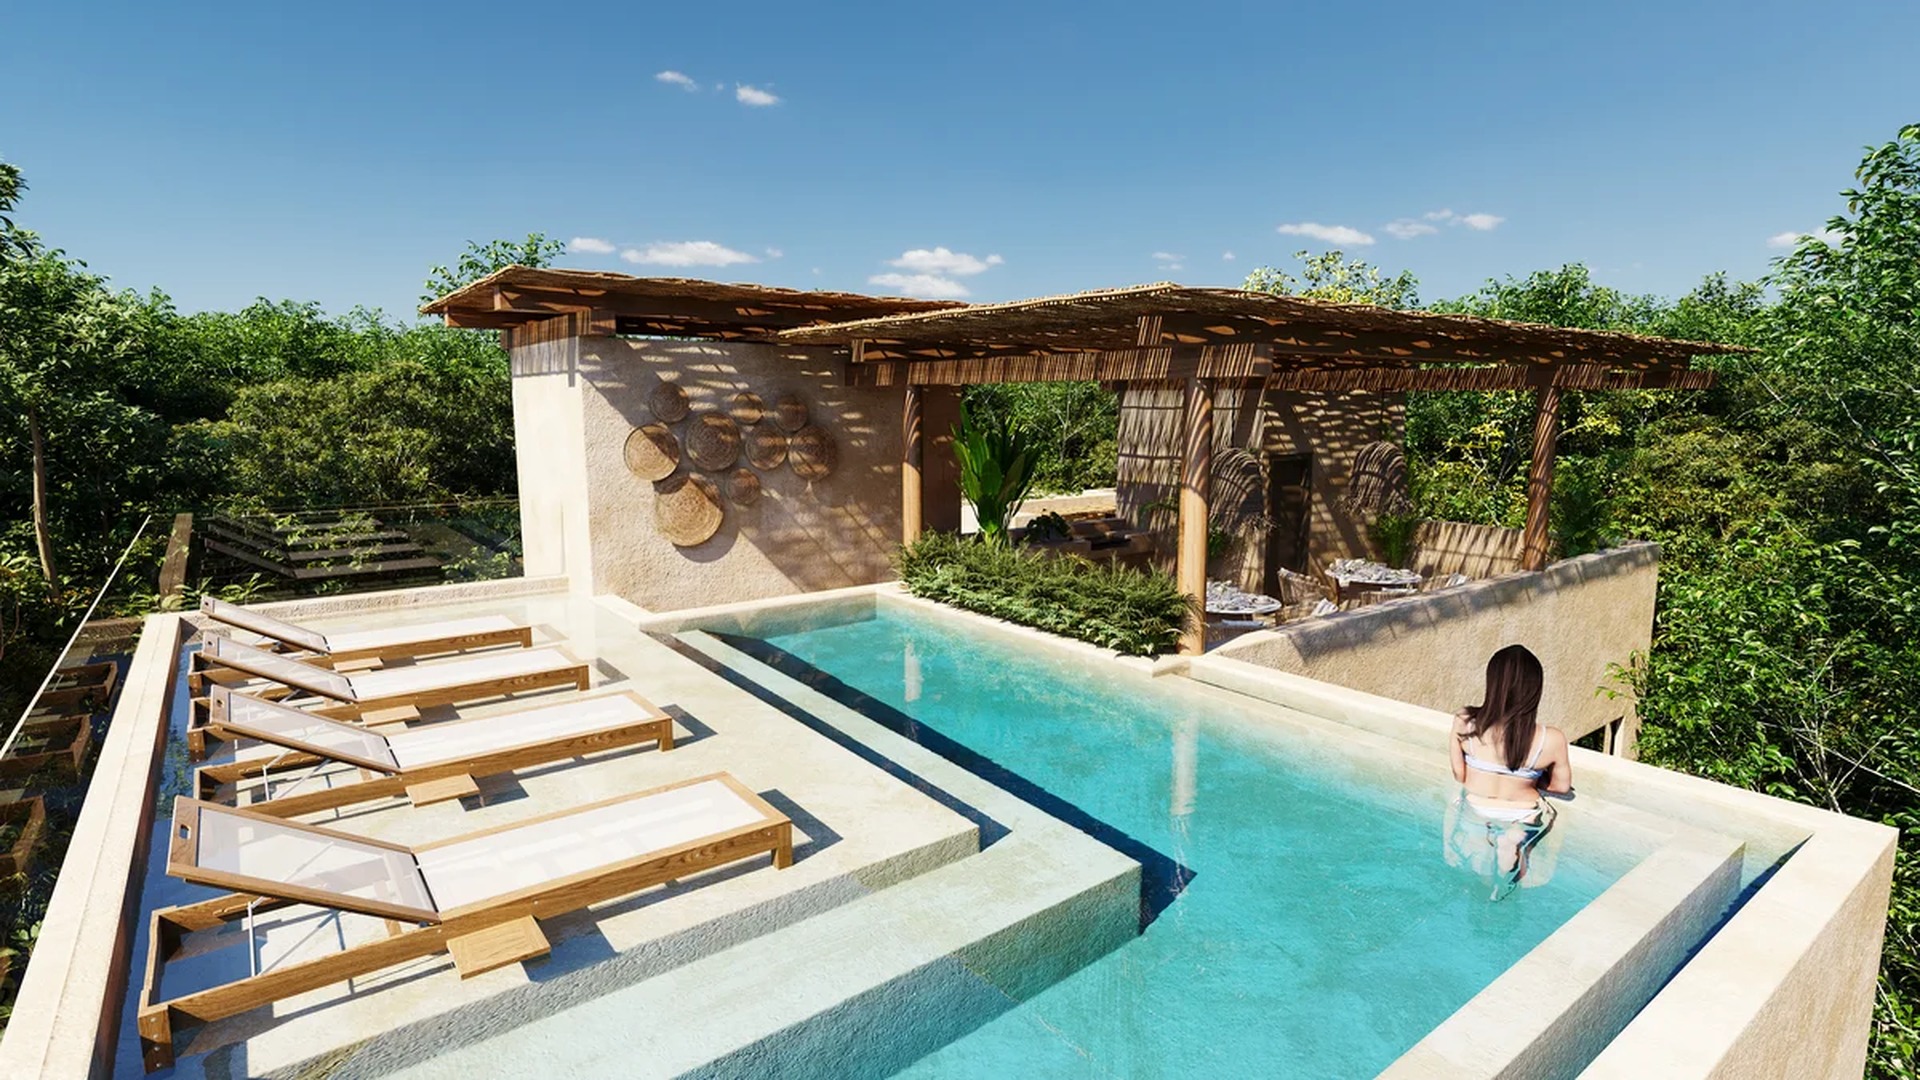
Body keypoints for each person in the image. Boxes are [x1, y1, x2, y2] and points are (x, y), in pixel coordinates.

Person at [1443, 644, 1573, 900]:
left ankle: (1483, 853)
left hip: (1476, 807)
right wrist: (1532, 779)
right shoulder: (1551, 739)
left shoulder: (1464, 721)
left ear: (1492, 684)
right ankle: (1512, 840)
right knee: (1533, 825)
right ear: (1534, 690)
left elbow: (1460, 775)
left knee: (1475, 839)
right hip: (1522, 811)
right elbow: (1562, 788)